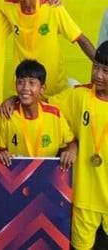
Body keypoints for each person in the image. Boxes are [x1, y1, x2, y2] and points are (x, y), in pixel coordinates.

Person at [48, 42, 108, 250]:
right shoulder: (79, 95)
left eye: (105, 71)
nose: (98, 75)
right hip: (85, 199)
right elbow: (46, 108)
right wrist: (71, 142)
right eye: (96, 67)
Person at [0, 60, 76, 170]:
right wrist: (2, 154)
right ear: (15, 85)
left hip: (47, 179)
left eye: (32, 83)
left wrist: (70, 152)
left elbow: (71, 143)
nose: (25, 88)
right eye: (20, 82)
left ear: (42, 89)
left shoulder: (54, 115)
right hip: (15, 178)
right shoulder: (8, 115)